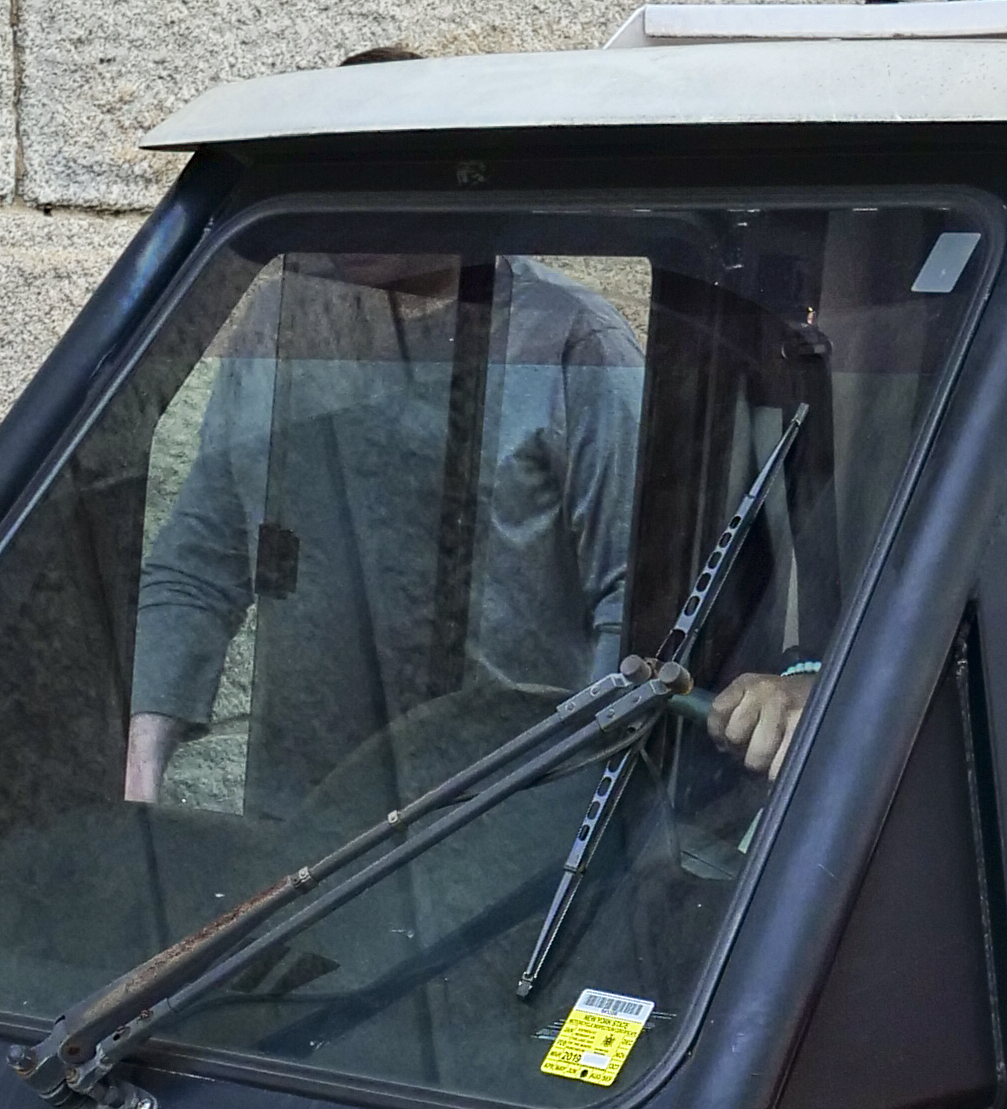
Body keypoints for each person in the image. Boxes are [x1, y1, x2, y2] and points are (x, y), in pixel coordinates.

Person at [125, 250, 638, 808]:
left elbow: (633, 600)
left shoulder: (572, 339)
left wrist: (576, 793)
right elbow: (199, 562)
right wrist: (137, 772)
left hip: (498, 820)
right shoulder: (280, 322)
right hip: (302, 827)